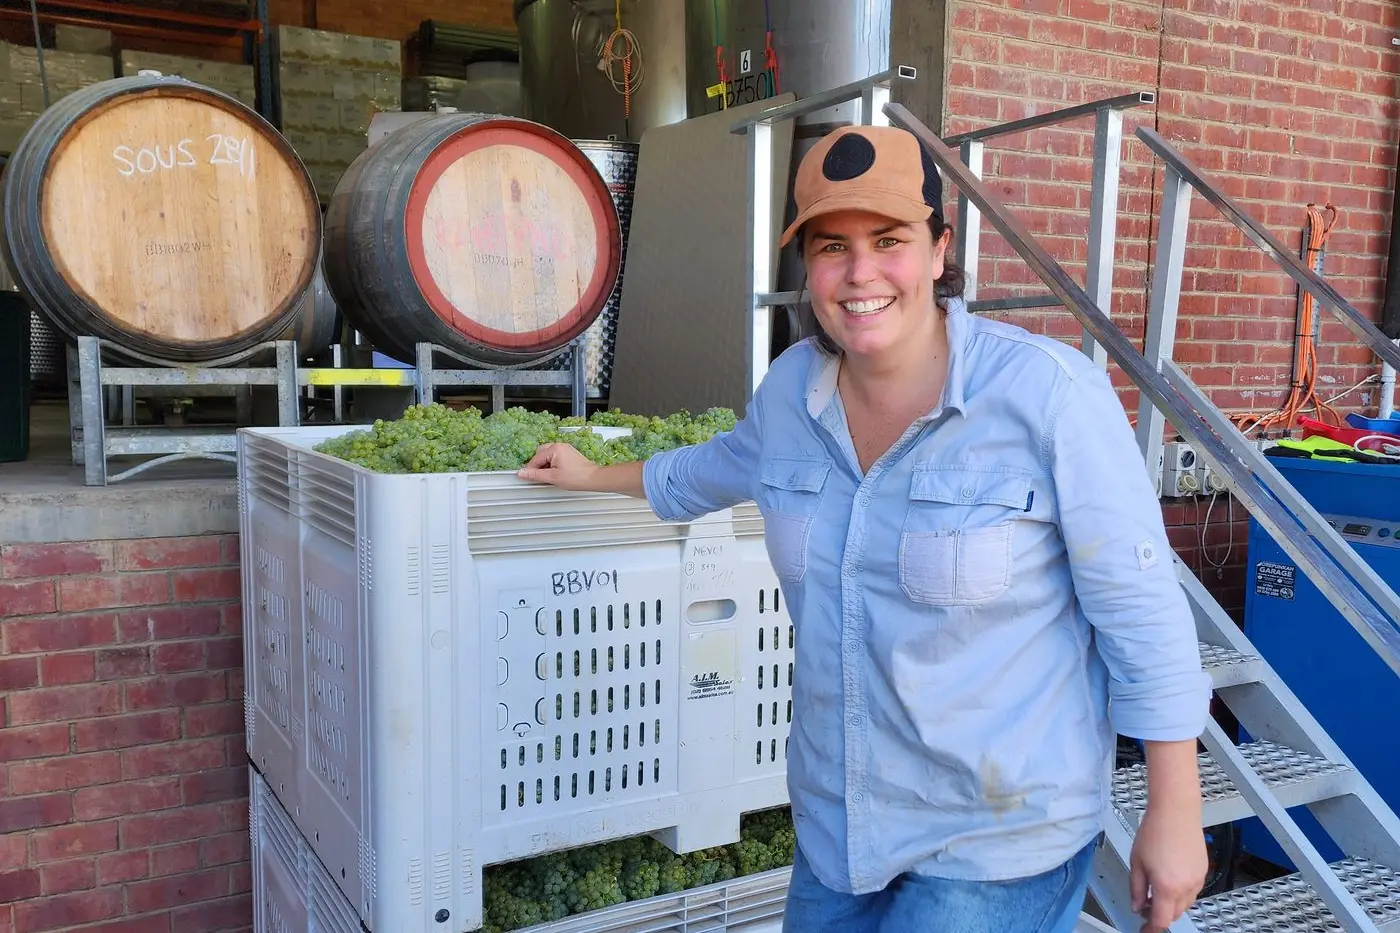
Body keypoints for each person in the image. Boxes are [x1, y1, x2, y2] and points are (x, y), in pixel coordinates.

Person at [520, 124, 1211, 933]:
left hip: (995, 839)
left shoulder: (1049, 397)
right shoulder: (792, 391)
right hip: (839, 827)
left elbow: (1140, 610)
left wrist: (1175, 807)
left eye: (889, 240)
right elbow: (715, 467)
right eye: (831, 246)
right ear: (806, 266)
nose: (860, 273)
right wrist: (590, 474)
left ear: (939, 249)